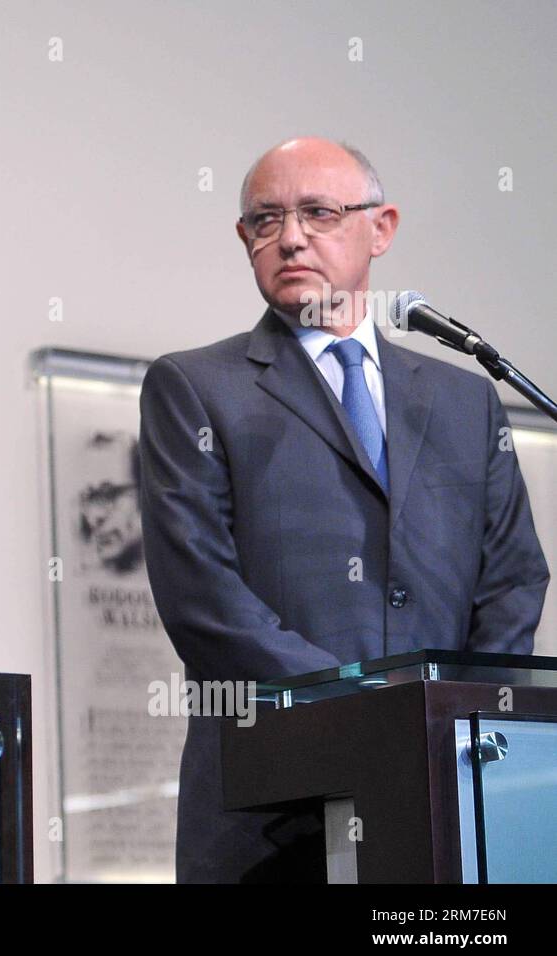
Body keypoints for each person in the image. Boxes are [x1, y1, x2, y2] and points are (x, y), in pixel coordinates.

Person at [138, 137, 549, 882]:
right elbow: (203, 599)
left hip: (447, 806)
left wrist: (463, 713)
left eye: (318, 212)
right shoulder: (196, 387)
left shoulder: (464, 398)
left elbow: (515, 578)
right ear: (244, 239)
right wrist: (369, 713)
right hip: (269, 818)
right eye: (265, 219)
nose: (290, 236)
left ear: (381, 227)